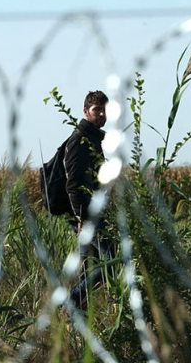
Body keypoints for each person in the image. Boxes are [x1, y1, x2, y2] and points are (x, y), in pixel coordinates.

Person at [64, 90, 115, 309]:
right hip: (87, 215)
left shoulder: (93, 138)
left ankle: (79, 322)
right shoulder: (80, 140)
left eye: (105, 110)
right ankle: (72, 302)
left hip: (92, 212)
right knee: (112, 264)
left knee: (91, 269)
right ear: (86, 111)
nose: (102, 114)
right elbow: (73, 183)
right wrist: (81, 217)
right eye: (97, 109)